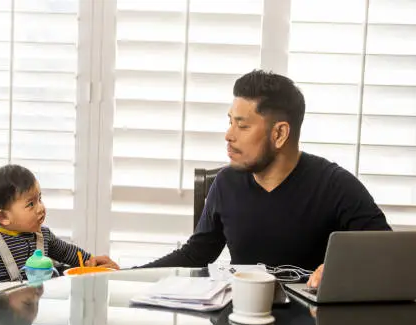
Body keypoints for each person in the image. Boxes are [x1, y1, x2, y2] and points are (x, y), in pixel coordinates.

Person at [141, 70, 391, 287]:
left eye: (242, 125)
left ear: (279, 133)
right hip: (242, 321)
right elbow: (195, 255)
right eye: (230, 122)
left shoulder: (336, 186)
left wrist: (344, 269)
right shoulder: (226, 183)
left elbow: (387, 253)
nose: (228, 135)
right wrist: (123, 274)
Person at [0, 164, 119, 302]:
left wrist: (91, 262)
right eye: (31, 204)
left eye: (39, 199)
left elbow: (68, 252)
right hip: (4, 309)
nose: (41, 208)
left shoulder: (44, 236)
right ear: (4, 217)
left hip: (42, 307)